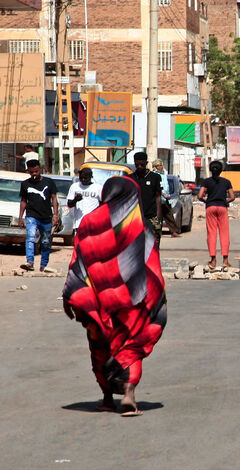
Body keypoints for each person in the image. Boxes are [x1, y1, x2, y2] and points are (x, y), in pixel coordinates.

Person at [62, 175, 167, 416]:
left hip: (100, 301)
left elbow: (78, 262)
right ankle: (129, 394)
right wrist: (156, 298)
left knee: (100, 347)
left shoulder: (89, 222)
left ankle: (107, 398)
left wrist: (71, 294)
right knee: (130, 343)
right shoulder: (142, 227)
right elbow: (152, 267)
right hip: (134, 302)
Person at [18, 160, 59, 271]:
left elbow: (54, 198)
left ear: (39, 169)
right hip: (31, 216)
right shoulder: (25, 184)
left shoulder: (49, 182)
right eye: (32, 172)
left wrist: (55, 214)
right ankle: (30, 262)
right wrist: (20, 217)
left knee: (45, 241)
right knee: (31, 237)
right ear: (28, 172)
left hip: (46, 217)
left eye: (36, 171)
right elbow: (23, 201)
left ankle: (43, 265)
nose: (34, 174)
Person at [198, 161, 235, 270]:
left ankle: (213, 261)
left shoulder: (206, 181)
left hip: (210, 207)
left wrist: (206, 201)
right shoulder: (226, 182)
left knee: (211, 233)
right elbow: (232, 196)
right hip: (222, 207)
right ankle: (225, 260)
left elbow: (200, 195)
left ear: (210, 170)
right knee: (224, 233)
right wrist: (224, 200)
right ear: (221, 170)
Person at [130, 152, 163, 247]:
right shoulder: (130, 178)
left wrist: (158, 216)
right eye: (137, 165)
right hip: (135, 218)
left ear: (146, 163)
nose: (139, 167)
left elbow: (158, 196)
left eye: (142, 165)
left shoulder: (155, 177)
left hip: (151, 217)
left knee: (154, 245)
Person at [152, 159, 179, 238]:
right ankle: (157, 233)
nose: (160, 167)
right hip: (158, 198)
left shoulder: (164, 174)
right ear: (155, 167)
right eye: (158, 166)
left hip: (166, 199)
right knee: (158, 217)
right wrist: (163, 195)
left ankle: (173, 231)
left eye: (161, 165)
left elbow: (165, 187)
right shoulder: (154, 175)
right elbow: (157, 188)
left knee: (169, 216)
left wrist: (167, 196)